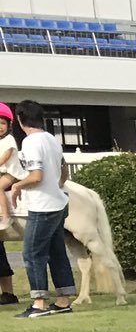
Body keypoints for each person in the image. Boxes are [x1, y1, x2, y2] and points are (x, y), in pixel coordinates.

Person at [0, 99, 75, 318]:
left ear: (20, 119)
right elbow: (64, 171)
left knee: (32, 253)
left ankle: (39, 304)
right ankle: (63, 301)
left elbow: (36, 176)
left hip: (43, 207)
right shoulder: (52, 139)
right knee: (57, 253)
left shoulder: (31, 142)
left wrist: (17, 185)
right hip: (59, 203)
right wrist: (55, 186)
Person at [0, 102, 19, 307]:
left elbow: (5, 157)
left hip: (11, 174)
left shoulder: (9, 140)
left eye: (2, 123)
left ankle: (5, 216)